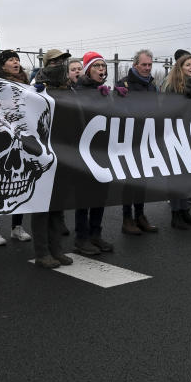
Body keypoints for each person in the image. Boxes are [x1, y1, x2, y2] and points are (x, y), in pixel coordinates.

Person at [29, 49, 75, 268]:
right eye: (55, 62)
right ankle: (42, 252)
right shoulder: (37, 88)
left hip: (64, 153)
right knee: (41, 206)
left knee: (57, 205)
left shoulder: (70, 88)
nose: (60, 65)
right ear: (47, 64)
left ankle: (57, 249)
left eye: (62, 61)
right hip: (42, 155)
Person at [0, 50, 34, 245]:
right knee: (0, 186)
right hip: (2, 141)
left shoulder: (26, 84)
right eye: (11, 59)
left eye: (17, 59)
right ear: (2, 65)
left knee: (20, 184)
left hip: (23, 141)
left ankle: (17, 227)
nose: (16, 62)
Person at [70, 51, 115, 254]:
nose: (101, 70)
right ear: (88, 70)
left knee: (100, 195)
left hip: (102, 151)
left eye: (103, 66)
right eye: (97, 66)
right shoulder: (77, 91)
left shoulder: (104, 91)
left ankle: (96, 234)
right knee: (85, 197)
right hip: (83, 151)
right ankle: (81, 237)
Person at [115, 49, 159, 235]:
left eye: (150, 65)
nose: (147, 68)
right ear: (135, 65)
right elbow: (115, 110)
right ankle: (127, 219)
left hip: (145, 139)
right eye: (144, 65)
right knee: (129, 181)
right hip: (128, 140)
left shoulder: (152, 85)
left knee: (143, 180)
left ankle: (140, 216)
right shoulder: (123, 84)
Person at [163, 50, 191, 229]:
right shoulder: (172, 87)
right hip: (175, 136)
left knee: (187, 175)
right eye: (188, 64)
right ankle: (176, 214)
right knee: (176, 177)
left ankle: (185, 210)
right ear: (180, 68)